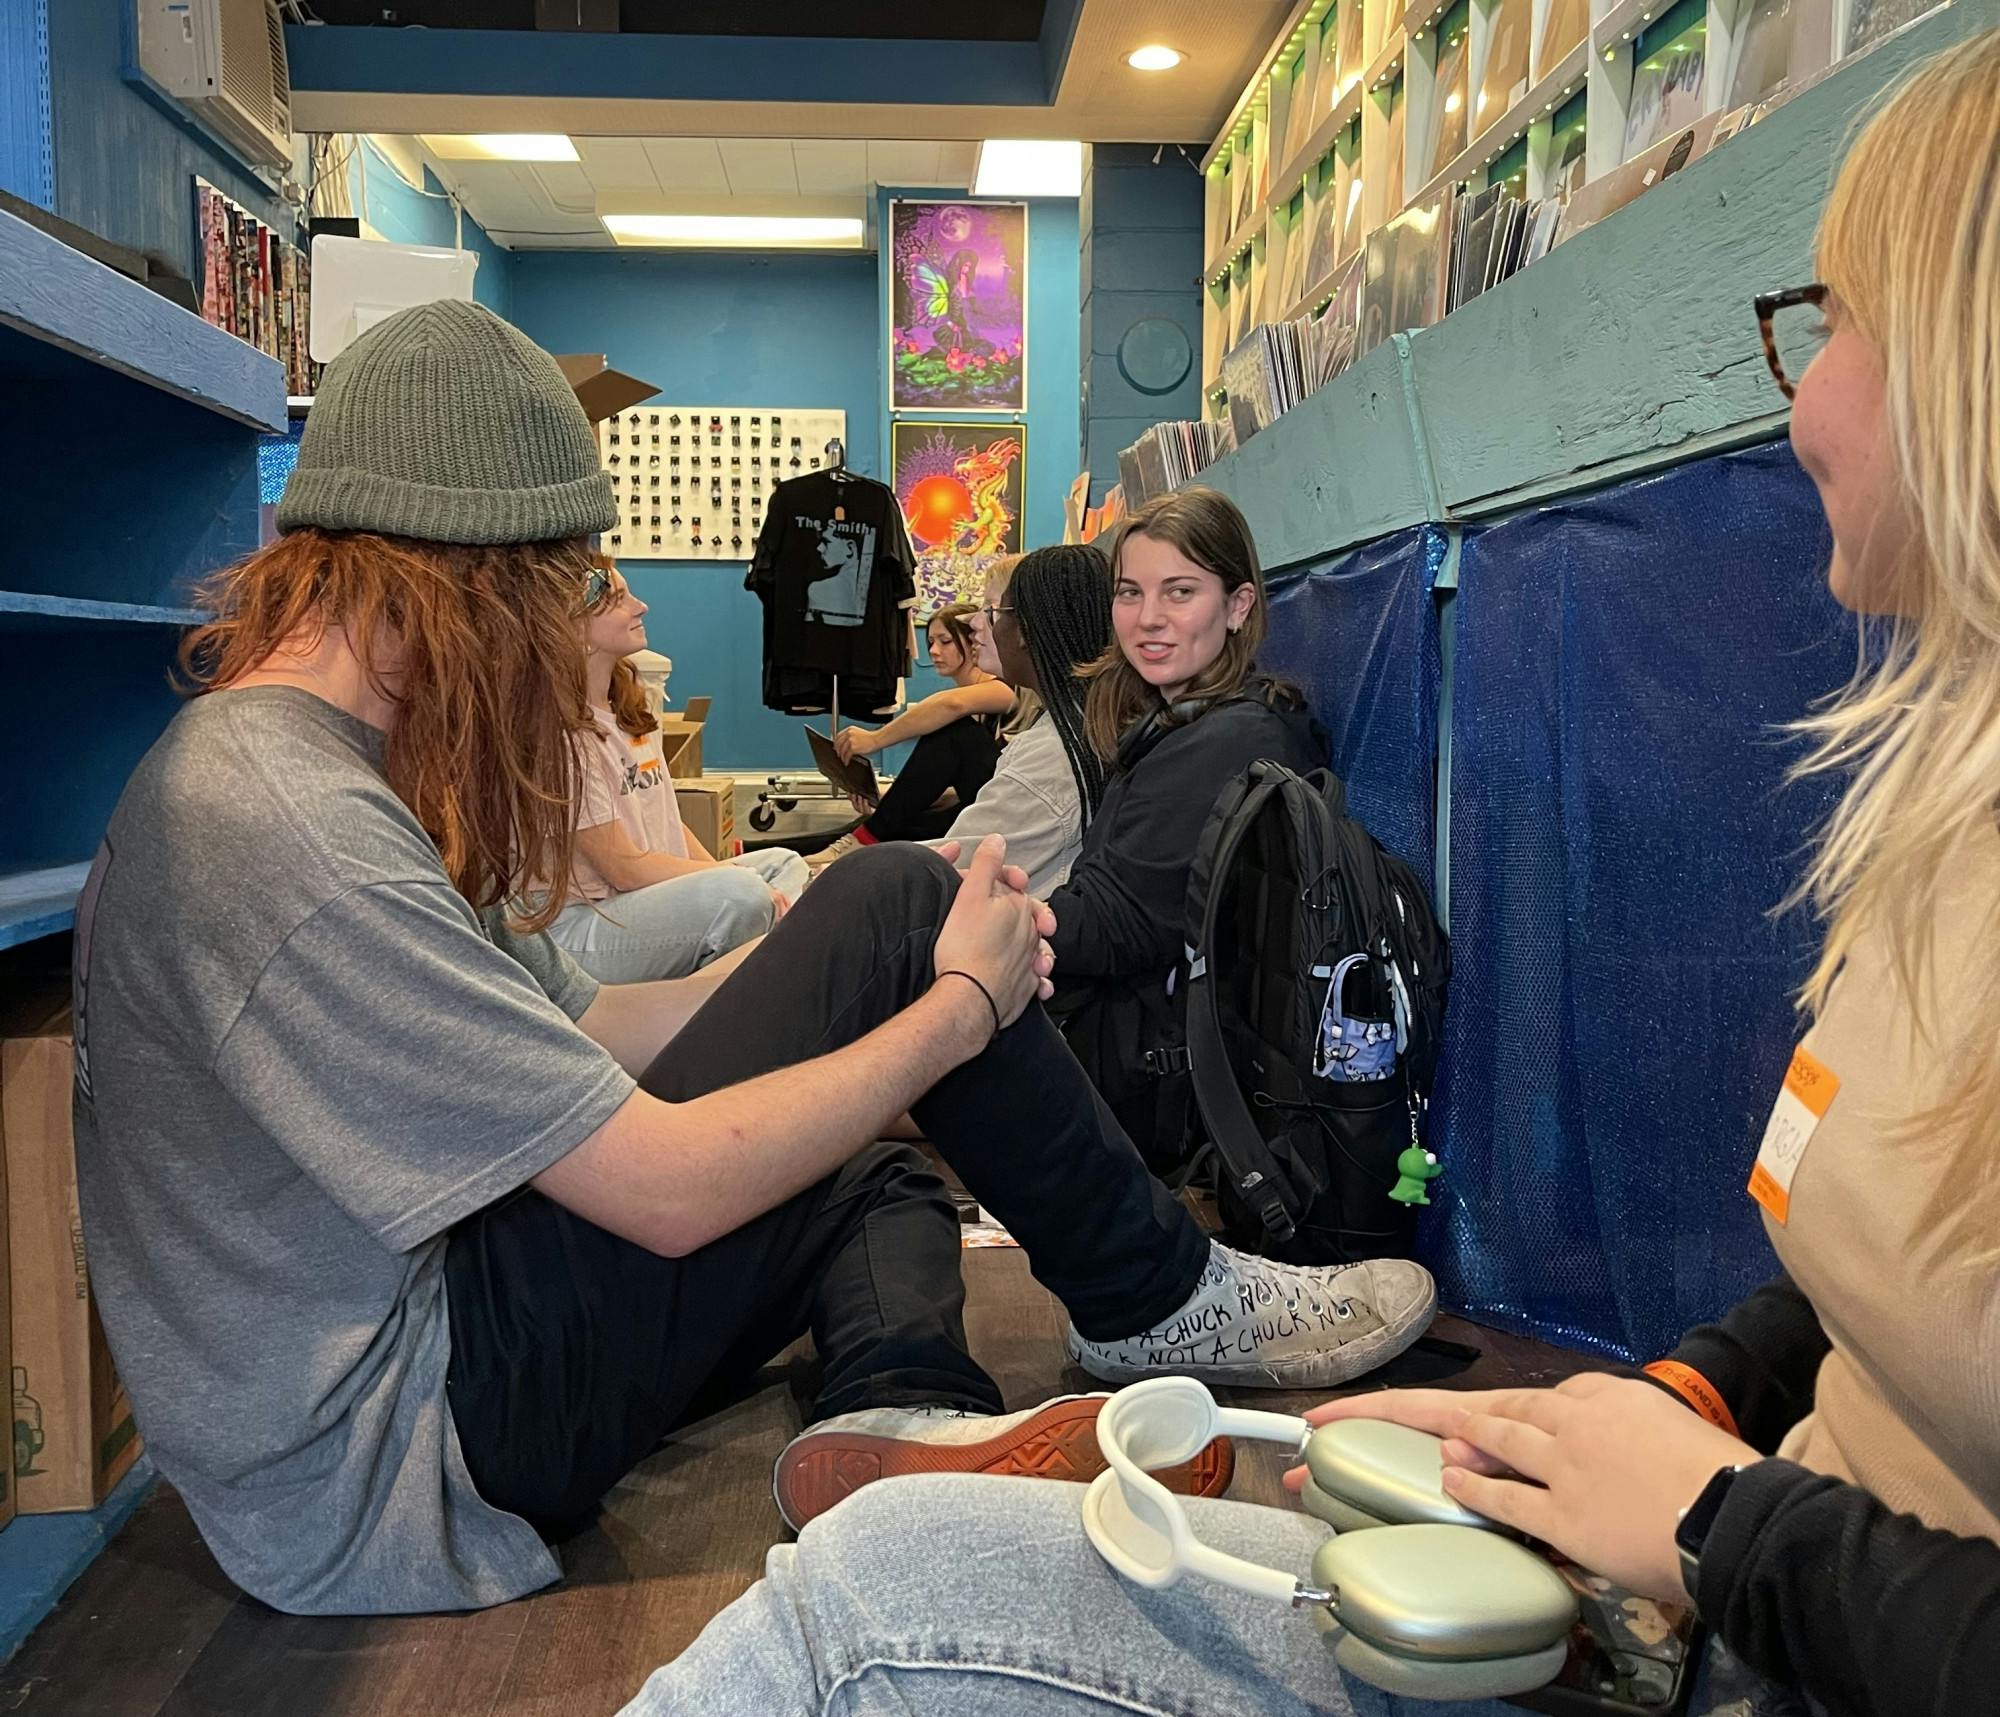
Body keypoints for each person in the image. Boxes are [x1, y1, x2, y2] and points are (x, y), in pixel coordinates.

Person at [612, 35, 2000, 1717]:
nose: (1805, 387)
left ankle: (1131, 1310)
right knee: (866, 1531)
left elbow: (1112, 928)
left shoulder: (1210, 748)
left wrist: (1717, 1523)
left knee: (861, 1569)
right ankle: (1022, 1361)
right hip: (1712, 1590)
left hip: (1746, 1605)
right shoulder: (1938, 833)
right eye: (1124, 598)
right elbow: (1872, 1317)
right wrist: (1693, 1400)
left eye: (1837, 317)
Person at [67, 298, 1434, 1619]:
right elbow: (659, 1193)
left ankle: (905, 1421)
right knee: (902, 901)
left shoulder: (301, 769)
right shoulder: (286, 816)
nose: (562, 646)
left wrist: (818, 970)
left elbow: (591, 1030)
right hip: (402, 1448)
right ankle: (1158, 1297)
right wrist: (949, 1003)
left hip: (407, 1374)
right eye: (554, 597)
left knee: (865, 1154)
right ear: (463, 575)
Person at [1043, 487, 1326, 1168]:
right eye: (1130, 593)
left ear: (1238, 606)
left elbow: (1114, 925)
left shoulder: (1227, 741)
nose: (1147, 619)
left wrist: (983, 918)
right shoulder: (1190, 720)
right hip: (1119, 1052)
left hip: (1140, 1089)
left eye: (1179, 592)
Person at [540, 557, 806, 982]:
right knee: (741, 894)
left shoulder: (626, 706)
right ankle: (774, 981)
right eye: (619, 599)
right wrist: (732, 881)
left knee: (782, 863)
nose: (640, 606)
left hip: (634, 900)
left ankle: (778, 968)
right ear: (573, 629)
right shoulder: (558, 735)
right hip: (581, 929)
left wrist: (732, 875)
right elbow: (625, 869)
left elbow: (668, 822)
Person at [917, 542, 1115, 899]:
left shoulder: (1050, 761)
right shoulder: (1077, 727)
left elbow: (945, 876)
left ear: (1028, 628)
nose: (976, 625)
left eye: (993, 612)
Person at [813, 602, 1015, 860]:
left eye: (945, 641)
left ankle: (867, 838)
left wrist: (875, 739)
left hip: (1004, 815)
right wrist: (896, 797)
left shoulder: (1003, 689)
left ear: (973, 642)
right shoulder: (974, 702)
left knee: (954, 731)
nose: (934, 651)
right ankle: (749, 850)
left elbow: (949, 704)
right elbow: (964, 778)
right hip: (979, 803)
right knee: (877, 826)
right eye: (931, 642)